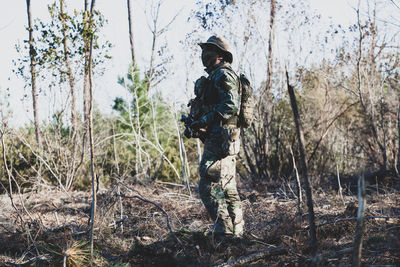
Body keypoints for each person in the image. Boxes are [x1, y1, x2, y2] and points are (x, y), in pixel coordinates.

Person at [190, 35, 244, 238]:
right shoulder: (216, 76)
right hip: (221, 137)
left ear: (220, 55)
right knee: (227, 185)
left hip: (222, 136)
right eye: (204, 50)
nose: (204, 54)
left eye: (209, 50)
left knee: (208, 184)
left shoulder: (223, 74)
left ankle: (223, 230)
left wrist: (206, 119)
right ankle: (235, 234)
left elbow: (232, 105)